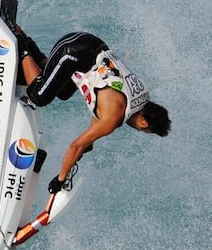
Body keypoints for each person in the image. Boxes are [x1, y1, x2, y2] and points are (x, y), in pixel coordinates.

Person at [12, 27, 171, 194]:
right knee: (39, 96)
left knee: (63, 92)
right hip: (73, 51)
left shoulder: (141, 96)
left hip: (89, 45)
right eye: (144, 130)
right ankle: (21, 44)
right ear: (145, 122)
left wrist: (88, 143)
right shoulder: (114, 118)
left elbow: (101, 112)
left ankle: (28, 43)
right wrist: (60, 179)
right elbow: (75, 146)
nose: (139, 130)